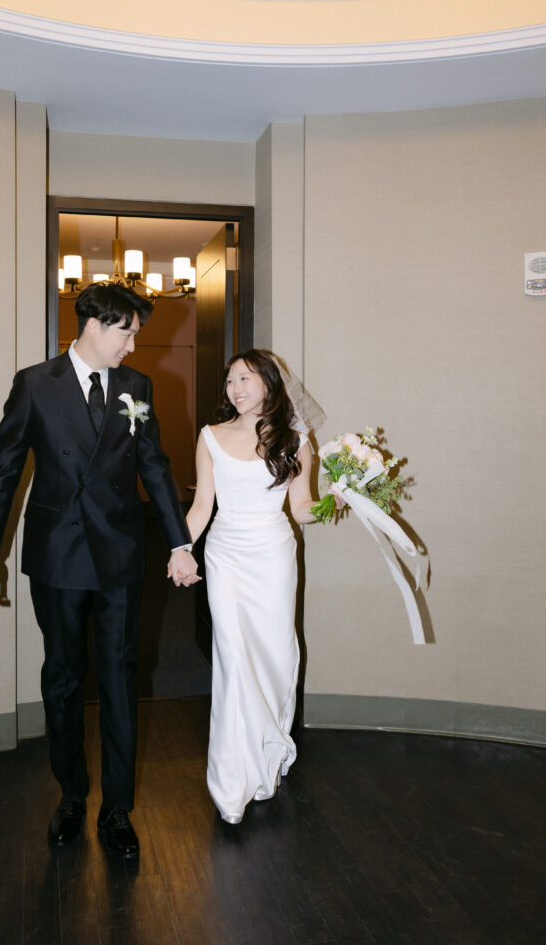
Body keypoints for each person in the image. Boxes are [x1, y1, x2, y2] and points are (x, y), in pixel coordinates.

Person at [0, 282, 198, 855]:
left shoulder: (136, 387)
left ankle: (117, 810)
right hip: (58, 556)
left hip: (121, 554)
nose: (134, 345)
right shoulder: (35, 385)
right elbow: (3, 471)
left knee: (121, 677)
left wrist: (178, 543)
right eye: (128, 332)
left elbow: (154, 464)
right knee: (65, 678)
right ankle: (71, 794)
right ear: (95, 325)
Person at [185, 349, 318, 824]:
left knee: (276, 656)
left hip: (274, 555)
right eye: (230, 380)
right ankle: (231, 781)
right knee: (234, 658)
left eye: (245, 378)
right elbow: (202, 507)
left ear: (269, 384)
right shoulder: (211, 436)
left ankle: (268, 752)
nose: (235, 388)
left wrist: (334, 503)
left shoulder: (296, 440)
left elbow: (301, 507)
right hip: (226, 555)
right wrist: (180, 548)